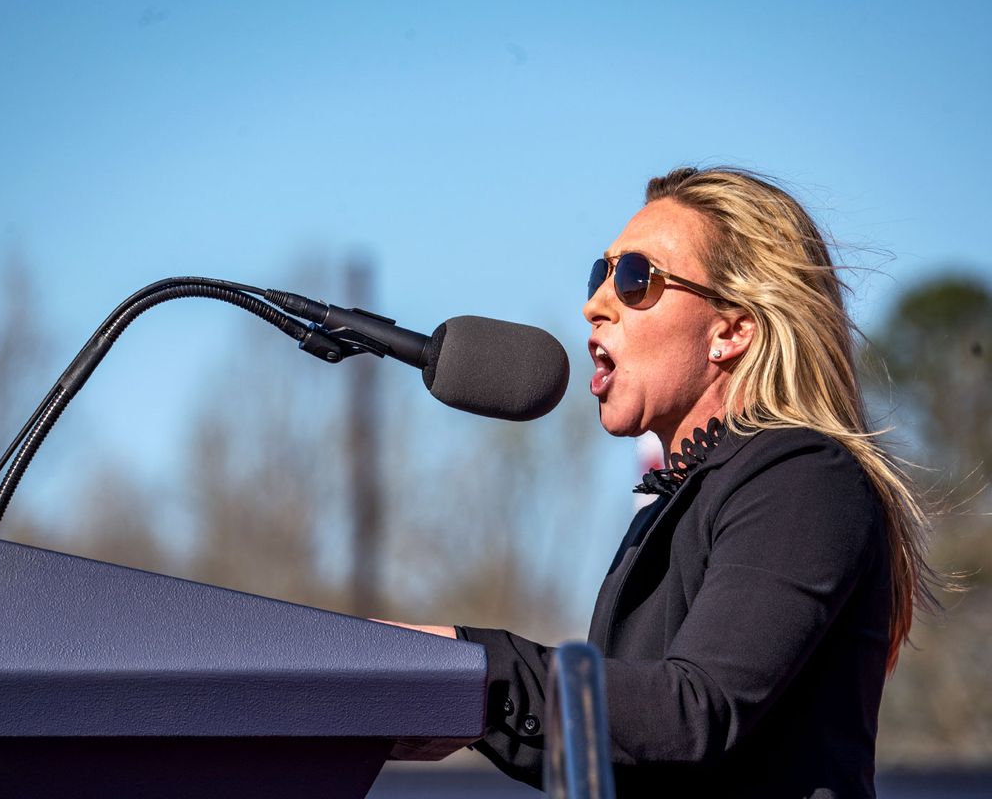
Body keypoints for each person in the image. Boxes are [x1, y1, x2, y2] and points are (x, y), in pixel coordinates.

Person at [389, 167, 936, 798]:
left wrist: (473, 668)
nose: (595, 304)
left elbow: (692, 713)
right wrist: (461, 706)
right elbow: (629, 756)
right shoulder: (673, 503)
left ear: (732, 330)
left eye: (634, 279)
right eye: (602, 274)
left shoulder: (804, 476)